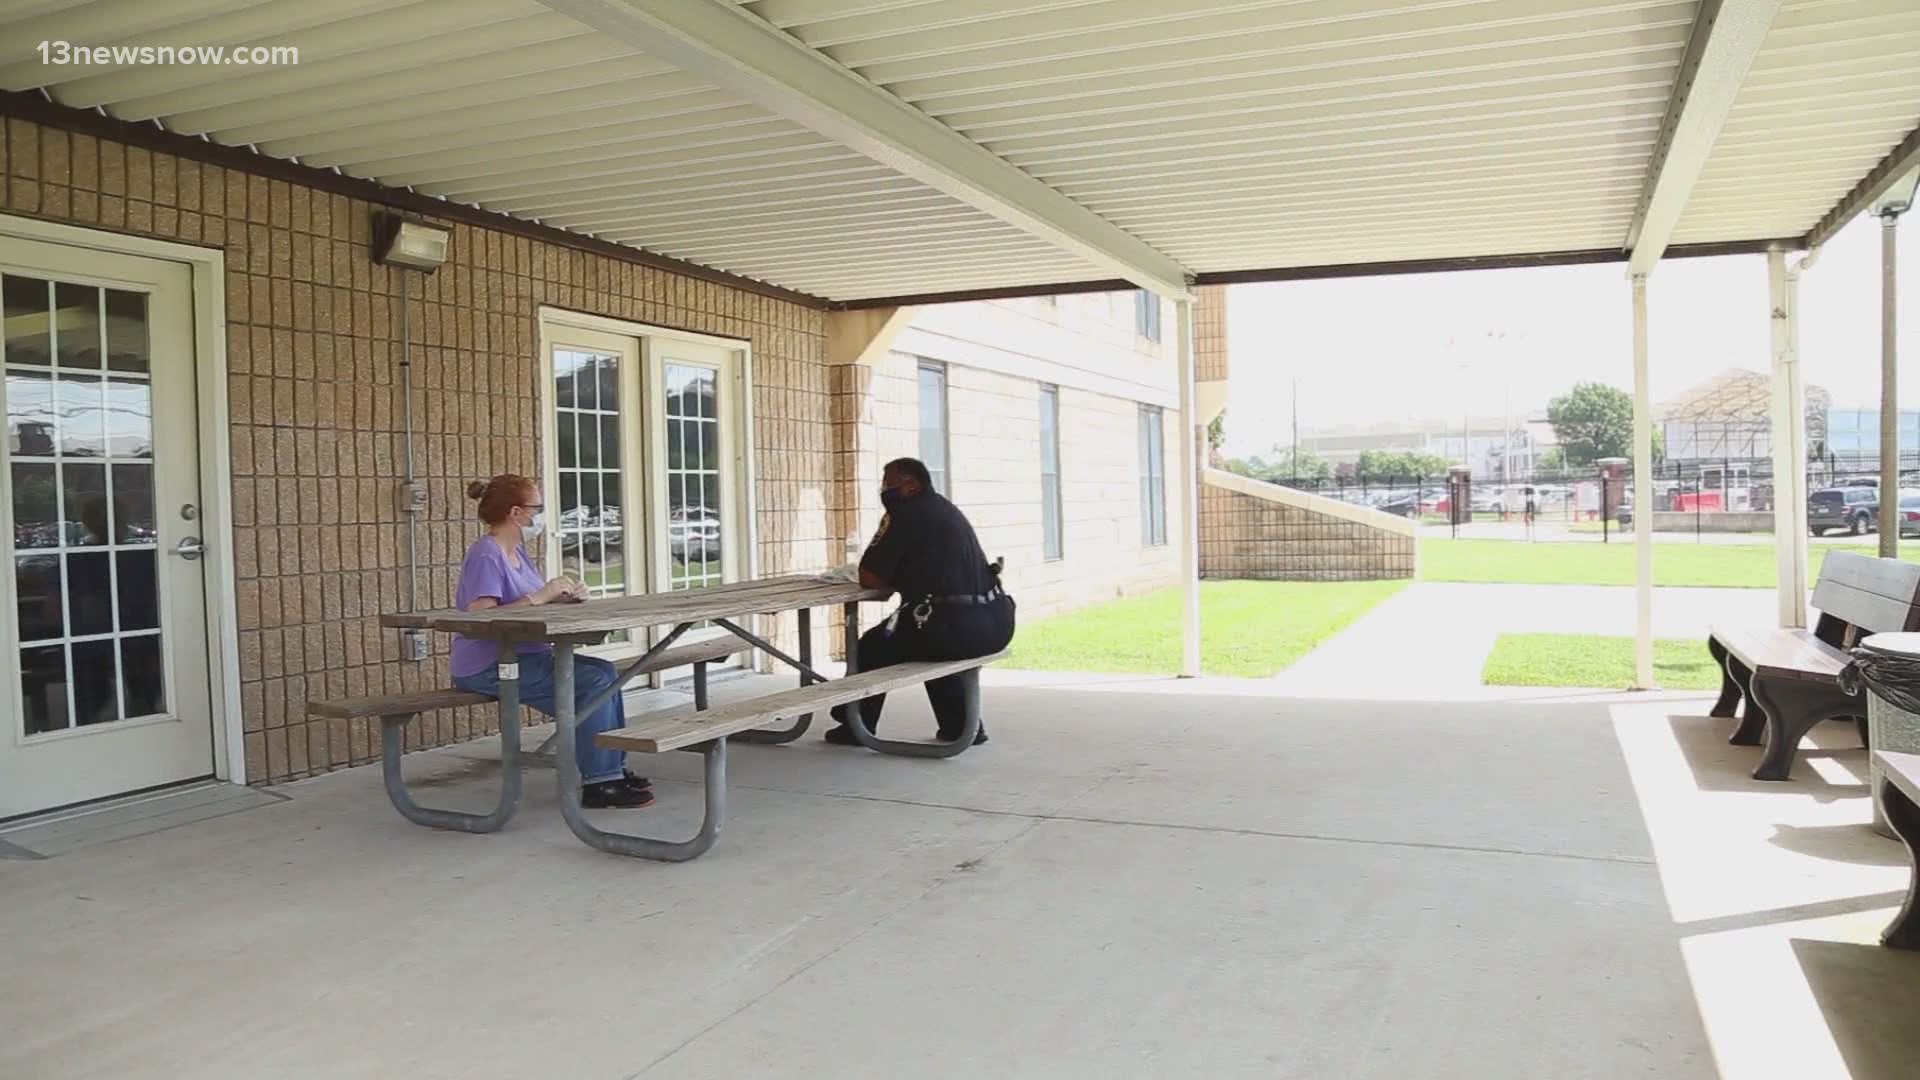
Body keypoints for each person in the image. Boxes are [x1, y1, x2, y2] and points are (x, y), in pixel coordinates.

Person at [448, 474, 653, 809]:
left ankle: (612, 768)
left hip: (523, 657)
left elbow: (529, 604)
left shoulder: (518, 552)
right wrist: (541, 595)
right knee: (593, 680)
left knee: (604, 671)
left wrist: (562, 598)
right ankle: (600, 784)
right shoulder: (487, 554)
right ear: (516, 512)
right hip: (489, 665)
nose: (541, 516)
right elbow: (482, 616)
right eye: (537, 508)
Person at [827, 457, 1015, 745]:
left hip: (956, 628)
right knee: (929, 640)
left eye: (888, 484)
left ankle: (856, 725)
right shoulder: (944, 508)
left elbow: (870, 578)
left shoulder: (906, 514)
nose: (883, 490)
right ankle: (961, 727)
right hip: (996, 622)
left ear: (912, 486)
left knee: (871, 646)